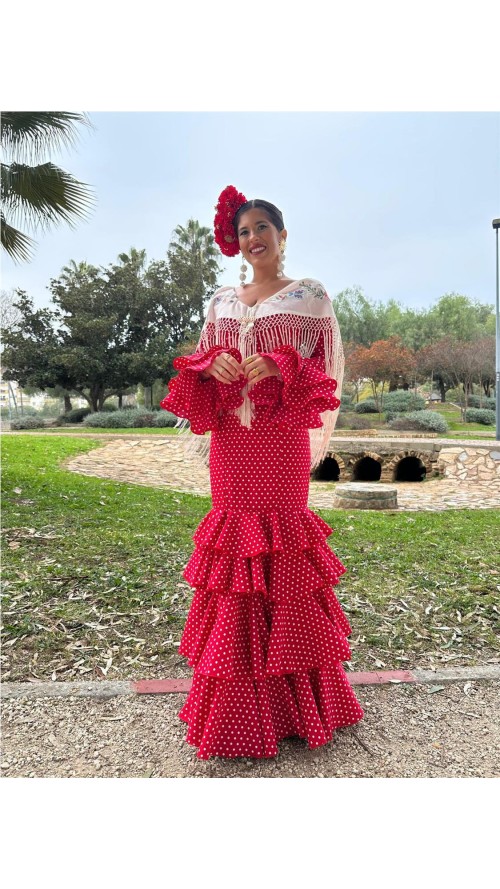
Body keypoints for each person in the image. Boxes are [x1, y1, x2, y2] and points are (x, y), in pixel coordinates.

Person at [161, 185, 364, 760]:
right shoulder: (223, 300)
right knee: (236, 561)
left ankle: (297, 704)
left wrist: (279, 360)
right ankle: (237, 712)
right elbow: (199, 363)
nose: (253, 239)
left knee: (284, 553)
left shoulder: (309, 295)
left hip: (279, 441)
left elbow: (328, 370)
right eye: (245, 231)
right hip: (232, 441)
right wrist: (212, 363)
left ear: (282, 235)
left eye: (262, 229)